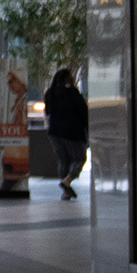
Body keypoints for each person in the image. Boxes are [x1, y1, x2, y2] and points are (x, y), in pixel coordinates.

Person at [41, 66, 90, 202]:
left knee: (63, 160)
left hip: (55, 132)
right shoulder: (72, 93)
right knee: (79, 158)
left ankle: (65, 192)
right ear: (68, 79)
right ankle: (67, 181)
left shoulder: (50, 93)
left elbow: (48, 112)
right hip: (72, 131)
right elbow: (83, 112)